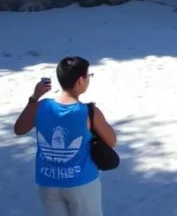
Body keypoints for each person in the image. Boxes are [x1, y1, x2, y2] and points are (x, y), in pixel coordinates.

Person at [13, 56, 116, 216]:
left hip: (48, 183)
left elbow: (19, 129)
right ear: (81, 80)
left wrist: (34, 98)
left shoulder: (42, 106)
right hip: (82, 182)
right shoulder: (89, 112)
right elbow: (112, 141)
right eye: (88, 76)